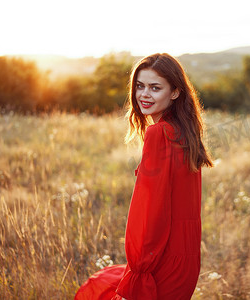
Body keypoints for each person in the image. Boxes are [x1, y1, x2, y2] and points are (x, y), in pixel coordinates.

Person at [75, 53, 213, 300]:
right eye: (140, 86)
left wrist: (138, 270)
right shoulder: (185, 133)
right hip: (186, 259)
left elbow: (150, 211)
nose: (144, 94)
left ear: (175, 92)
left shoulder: (159, 133)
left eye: (155, 87)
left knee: (95, 292)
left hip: (162, 261)